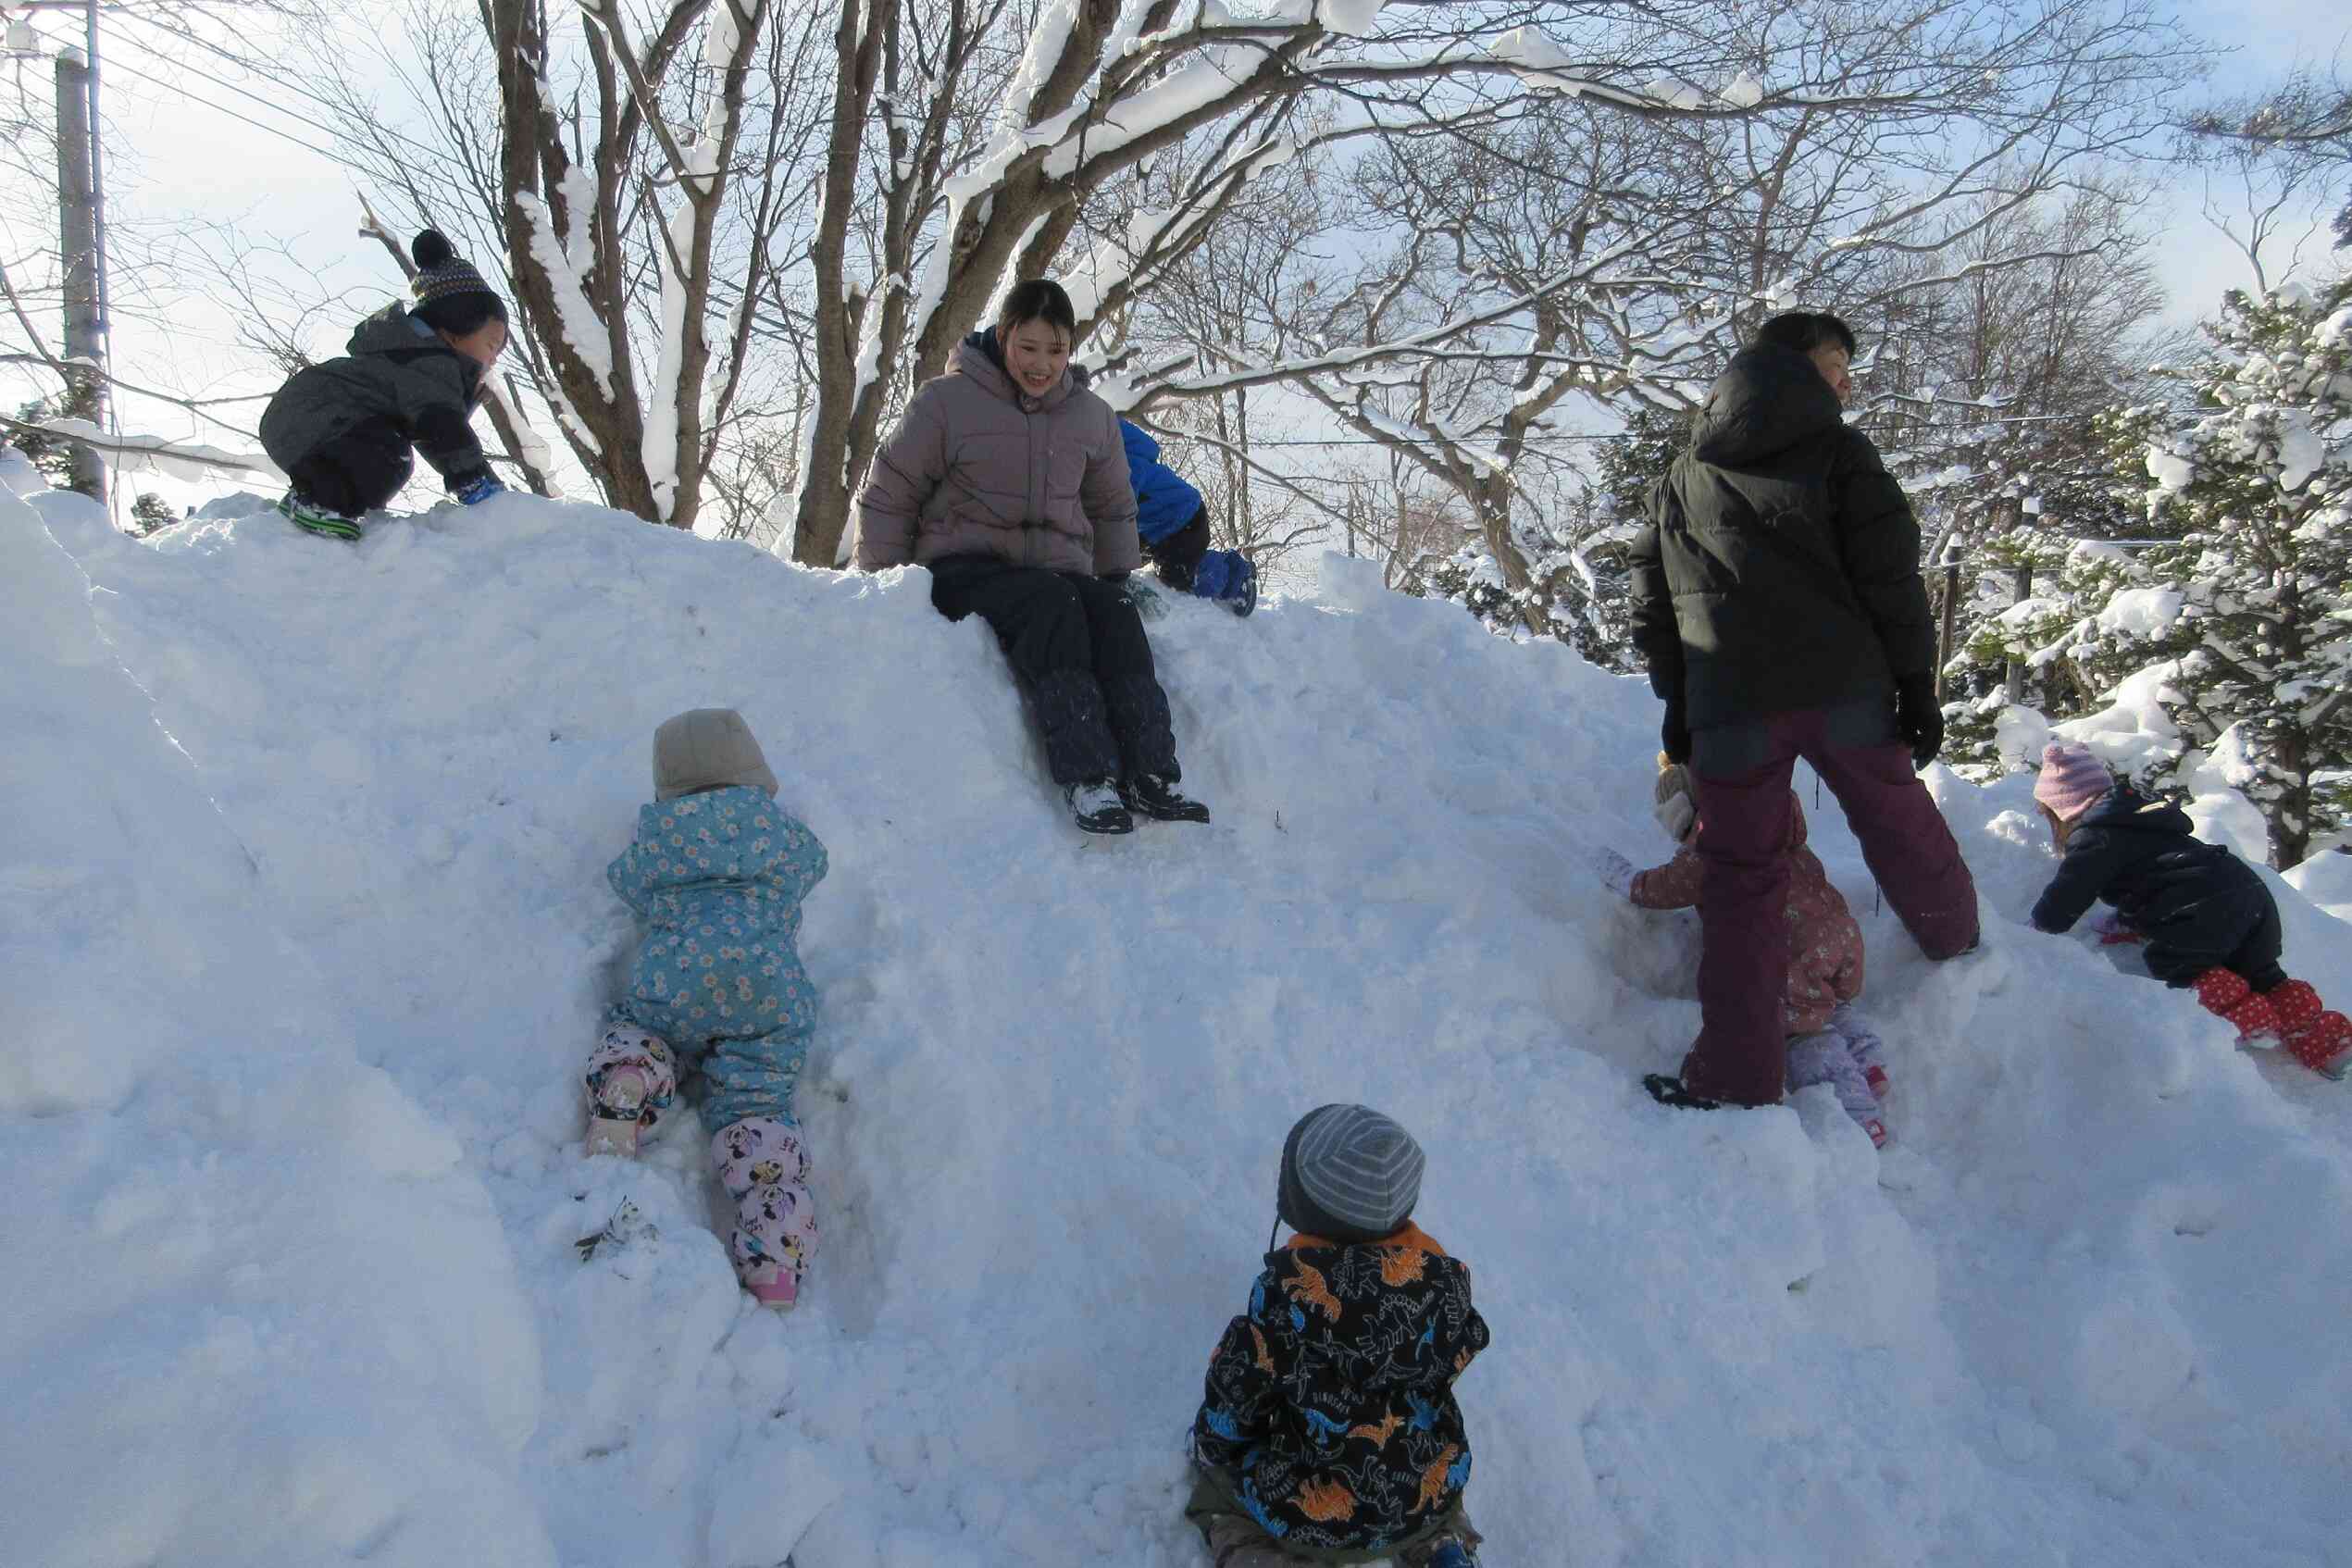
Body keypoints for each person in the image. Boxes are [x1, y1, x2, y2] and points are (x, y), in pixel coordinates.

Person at [1628, 310, 1979, 1111]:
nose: (1846, 382)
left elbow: (1657, 610)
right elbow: (1891, 577)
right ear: (1792, 363)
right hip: (1842, 688)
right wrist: (1915, 682)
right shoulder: (1840, 452)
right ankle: (1952, 937)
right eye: (1835, 364)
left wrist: (1679, 706)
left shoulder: (1681, 474)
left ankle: (1736, 1075)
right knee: (1896, 819)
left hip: (1730, 707)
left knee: (1740, 883)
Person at [854, 280, 1211, 836]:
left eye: (1056, 349)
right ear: (1003, 336)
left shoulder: (1089, 417)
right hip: (966, 568)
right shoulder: (946, 402)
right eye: (1028, 347)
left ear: (1070, 350)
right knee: (1054, 605)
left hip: (1056, 568)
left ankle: (1152, 772)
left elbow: (1113, 504)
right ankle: (1088, 776)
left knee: (1113, 613)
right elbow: (890, 491)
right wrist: (883, 588)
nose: (1041, 364)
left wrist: (1114, 578)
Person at [584, 709, 829, 1308]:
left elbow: (627, 881)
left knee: (644, 1027)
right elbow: (814, 864)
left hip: (676, 974)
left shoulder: (658, 836)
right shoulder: (777, 833)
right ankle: (773, 1258)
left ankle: (631, 1079)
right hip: (766, 990)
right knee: (756, 1100)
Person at [1187, 1104, 1489, 1568]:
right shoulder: (1443, 1281)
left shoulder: (1285, 1299)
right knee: (1431, 1501)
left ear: (1298, 1207)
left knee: (1221, 1501)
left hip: (1315, 1506)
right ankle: (1441, 1549)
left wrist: (1213, 1447)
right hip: (1419, 1485)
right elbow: (1455, 1355)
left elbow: (1241, 1390)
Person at [1593, 755, 1891, 1145]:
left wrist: (1612, 869)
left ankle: (1858, 1114)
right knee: (1831, 1001)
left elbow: (1652, 889)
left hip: (1793, 948)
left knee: (1799, 1031)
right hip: (1839, 934)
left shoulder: (1710, 854)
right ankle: (1869, 1063)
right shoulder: (1776, 825)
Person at [2030, 740, 2351, 1079]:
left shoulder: (2095, 835)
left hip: (2205, 907)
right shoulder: (2142, 820)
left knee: (2176, 963)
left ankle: (2249, 1022)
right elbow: (2158, 875)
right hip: (2250, 895)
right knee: (2262, 972)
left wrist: (2037, 927)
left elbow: (2069, 893)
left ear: (2064, 810)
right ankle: (2328, 1042)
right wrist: (2128, 919)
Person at [258, 230, 509, 540]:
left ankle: (323, 500)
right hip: (315, 413)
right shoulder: (430, 364)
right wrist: (477, 481)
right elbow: (444, 432)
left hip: (307, 419)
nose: (493, 359)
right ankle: (316, 504)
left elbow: (434, 434)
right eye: (492, 344)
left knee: (385, 455)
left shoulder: (417, 361)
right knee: (388, 457)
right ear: (455, 330)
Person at [1119, 417, 1257, 616]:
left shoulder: (1123, 464)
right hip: (1154, 525)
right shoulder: (1111, 451)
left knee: (1180, 576)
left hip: (1183, 520)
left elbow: (1116, 506)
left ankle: (1236, 577)